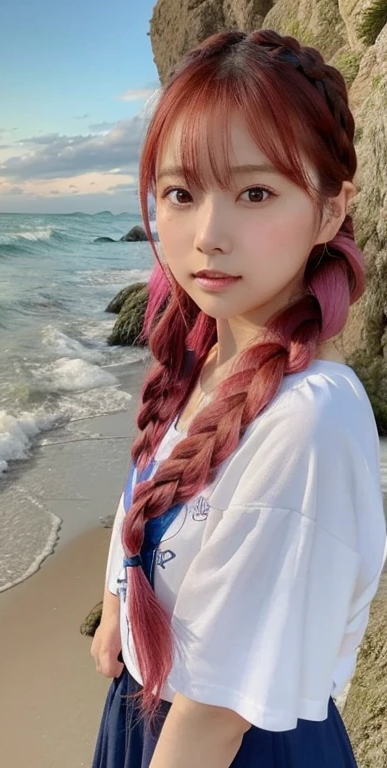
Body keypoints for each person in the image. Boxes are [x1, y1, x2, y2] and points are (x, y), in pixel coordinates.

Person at [90, 27, 387, 768]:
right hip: (145, 717)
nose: (208, 235)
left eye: (256, 192)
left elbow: (213, 719)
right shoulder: (200, 367)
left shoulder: (308, 419)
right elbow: (148, 494)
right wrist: (119, 609)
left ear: (328, 209)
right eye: (180, 194)